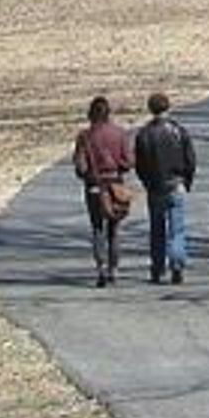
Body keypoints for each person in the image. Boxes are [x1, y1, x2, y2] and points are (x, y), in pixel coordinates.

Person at [133, 90, 198, 285]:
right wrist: (187, 180)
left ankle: (157, 267)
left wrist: (146, 182)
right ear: (168, 107)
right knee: (177, 229)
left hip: (155, 187)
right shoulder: (178, 131)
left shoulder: (144, 134)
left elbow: (140, 164)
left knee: (157, 229)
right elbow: (190, 159)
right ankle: (177, 265)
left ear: (150, 109)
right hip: (176, 184)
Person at [73, 93, 135, 287]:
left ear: (90, 114)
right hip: (115, 184)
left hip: (94, 186)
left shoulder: (85, 136)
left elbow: (81, 167)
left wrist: (87, 174)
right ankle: (114, 269)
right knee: (114, 229)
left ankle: (100, 266)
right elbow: (128, 162)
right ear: (109, 114)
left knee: (97, 227)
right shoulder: (120, 133)